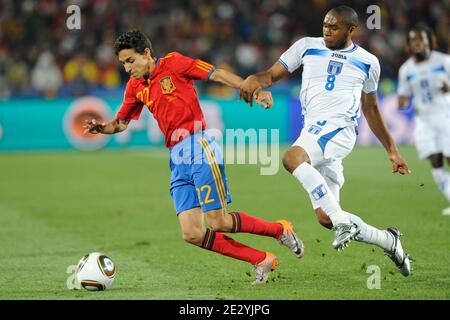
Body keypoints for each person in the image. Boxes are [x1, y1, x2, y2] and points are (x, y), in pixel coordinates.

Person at [83, 29, 304, 285]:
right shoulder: (135, 87)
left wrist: (252, 90)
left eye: (130, 61)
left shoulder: (174, 63)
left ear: (146, 53)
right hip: (177, 159)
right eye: (123, 63)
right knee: (192, 233)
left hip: (199, 146)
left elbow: (216, 74)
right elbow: (121, 123)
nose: (127, 68)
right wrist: (102, 127)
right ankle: (261, 258)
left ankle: (280, 230)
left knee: (218, 222)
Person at [240, 6, 412, 276]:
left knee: (291, 158)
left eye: (334, 27)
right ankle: (389, 240)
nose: (327, 30)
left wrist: (392, 150)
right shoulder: (306, 47)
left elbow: (371, 108)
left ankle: (343, 221)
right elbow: (271, 76)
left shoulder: (368, 62)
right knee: (325, 217)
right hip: (313, 130)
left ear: (351, 30)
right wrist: (254, 79)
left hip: (340, 129)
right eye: (325, 25)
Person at [398, 25, 450, 216]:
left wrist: (448, 88)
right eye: (413, 40)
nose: (417, 44)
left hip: (445, 115)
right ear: (409, 46)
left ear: (431, 43)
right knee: (435, 160)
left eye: (421, 40)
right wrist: (402, 103)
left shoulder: (444, 61)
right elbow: (403, 96)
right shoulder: (406, 70)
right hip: (424, 121)